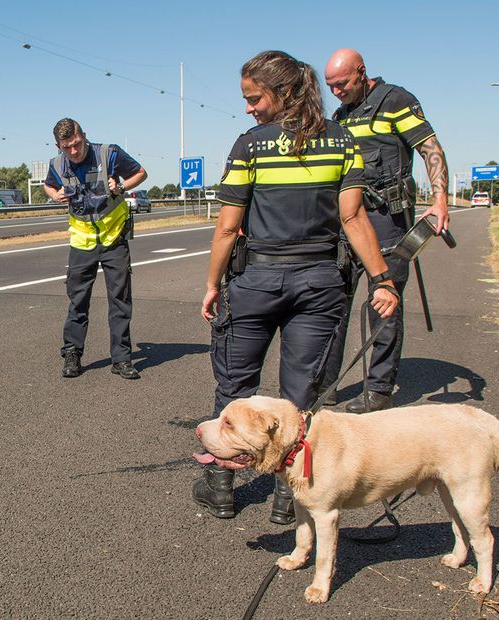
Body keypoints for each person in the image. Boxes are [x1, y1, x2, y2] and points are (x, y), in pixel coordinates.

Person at [194, 51, 399, 524]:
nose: (248, 108)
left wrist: (211, 285)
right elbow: (352, 217)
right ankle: (291, 497)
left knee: (235, 385)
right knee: (302, 395)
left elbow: (227, 229)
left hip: (255, 282)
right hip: (321, 284)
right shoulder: (343, 142)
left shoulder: (250, 146)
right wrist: (381, 279)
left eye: (253, 98)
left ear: (283, 93)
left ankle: (222, 486)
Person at [322, 48, 450, 413]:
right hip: (348, 222)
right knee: (334, 302)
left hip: (388, 221)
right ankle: (326, 384)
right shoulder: (340, 115)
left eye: (342, 84)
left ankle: (379, 391)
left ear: (362, 72)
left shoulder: (396, 101)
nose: (337, 92)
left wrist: (439, 200)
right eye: (330, 86)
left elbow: (430, 148)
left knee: (383, 304)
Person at [43, 118, 147, 380]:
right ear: (59, 146)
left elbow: (141, 173)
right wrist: (54, 195)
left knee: (120, 300)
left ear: (84, 136)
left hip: (114, 240)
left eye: (77, 144)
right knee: (78, 301)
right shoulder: (57, 164)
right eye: (67, 147)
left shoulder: (108, 153)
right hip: (82, 243)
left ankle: (121, 359)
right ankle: (72, 354)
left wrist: (122, 186)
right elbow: (49, 185)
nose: (74, 151)